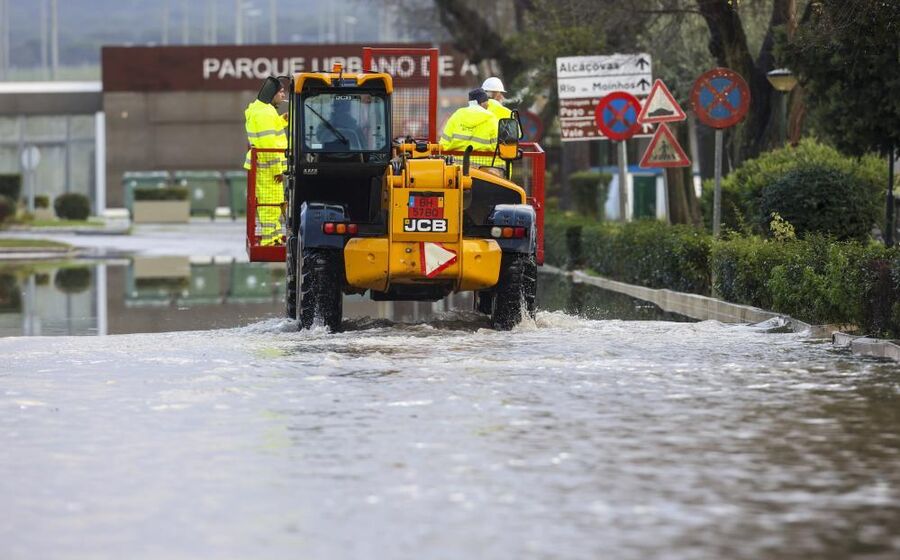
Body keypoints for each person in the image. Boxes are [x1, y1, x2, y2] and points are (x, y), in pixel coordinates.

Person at [243, 76, 288, 246]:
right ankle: (269, 240)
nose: (283, 96)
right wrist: (278, 170)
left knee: (275, 203)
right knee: (270, 205)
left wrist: (283, 120)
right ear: (272, 94)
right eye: (281, 92)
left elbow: (270, 131)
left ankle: (274, 237)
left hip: (265, 167)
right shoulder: (265, 113)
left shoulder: (263, 110)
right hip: (269, 168)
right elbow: (268, 143)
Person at [439, 88, 499, 167]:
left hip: (456, 167)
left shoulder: (457, 115)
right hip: (483, 171)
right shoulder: (491, 119)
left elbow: (443, 144)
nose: (488, 105)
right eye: (486, 102)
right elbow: (497, 148)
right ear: (482, 103)